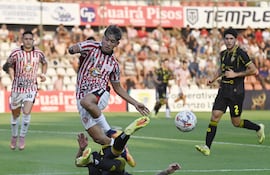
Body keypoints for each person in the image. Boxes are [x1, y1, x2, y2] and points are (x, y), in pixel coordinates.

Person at [68, 25, 150, 166]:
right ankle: (121, 148)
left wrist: (135, 102)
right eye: (106, 39)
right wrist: (73, 49)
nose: (108, 43)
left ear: (117, 44)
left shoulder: (114, 64)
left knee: (86, 102)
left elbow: (117, 87)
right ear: (103, 37)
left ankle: (109, 130)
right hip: (81, 95)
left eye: (112, 41)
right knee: (99, 139)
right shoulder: (91, 46)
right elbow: (73, 48)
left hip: (101, 93)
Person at [195, 28, 265, 156]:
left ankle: (258, 128)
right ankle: (207, 146)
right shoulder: (223, 54)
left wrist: (236, 74)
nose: (228, 41)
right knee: (215, 116)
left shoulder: (241, 54)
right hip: (223, 90)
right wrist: (213, 78)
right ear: (224, 40)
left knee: (236, 123)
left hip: (236, 92)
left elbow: (254, 70)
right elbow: (221, 70)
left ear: (235, 40)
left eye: (231, 39)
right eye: (226, 39)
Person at [2, 30, 48, 150]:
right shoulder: (16, 53)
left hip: (31, 87)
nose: (28, 41)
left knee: (27, 112)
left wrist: (43, 74)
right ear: (22, 40)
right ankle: (14, 136)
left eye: (30, 39)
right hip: (17, 88)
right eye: (26, 39)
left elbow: (45, 63)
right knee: (15, 115)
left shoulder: (39, 53)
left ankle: (22, 137)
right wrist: (12, 75)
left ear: (33, 40)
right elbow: (8, 65)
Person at [75, 116, 150, 175]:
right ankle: (125, 134)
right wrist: (81, 149)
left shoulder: (95, 155)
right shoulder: (94, 155)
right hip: (113, 162)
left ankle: (126, 134)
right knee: (117, 155)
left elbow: (79, 162)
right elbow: (78, 162)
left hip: (114, 164)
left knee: (117, 157)